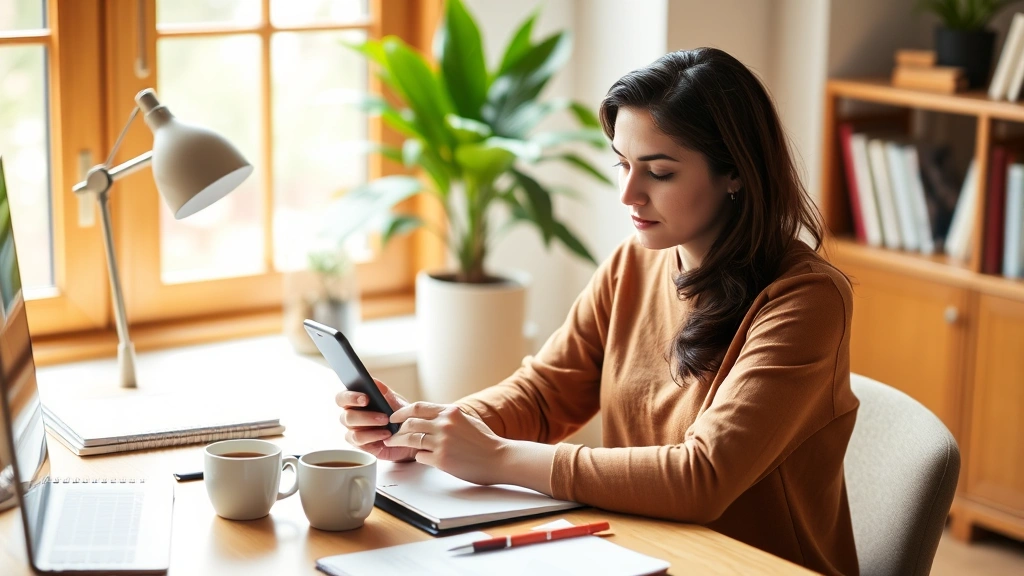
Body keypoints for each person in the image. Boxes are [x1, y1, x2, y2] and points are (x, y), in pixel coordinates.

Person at [337, 47, 858, 575]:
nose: (629, 194)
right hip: (645, 550)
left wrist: (495, 457)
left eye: (659, 172)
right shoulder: (634, 263)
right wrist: (432, 432)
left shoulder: (806, 300)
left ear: (736, 174)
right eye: (623, 164)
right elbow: (545, 394)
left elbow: (703, 478)